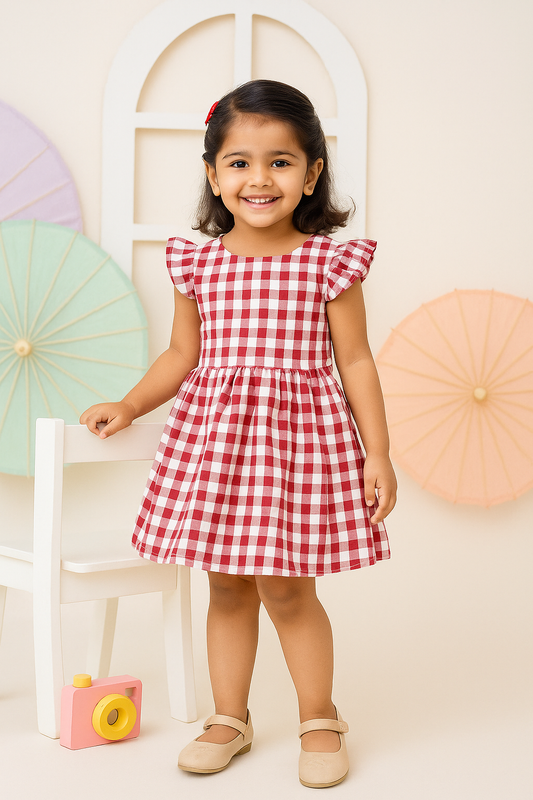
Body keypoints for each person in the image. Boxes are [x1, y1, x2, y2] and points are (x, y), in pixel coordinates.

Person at [81, 79, 397, 789]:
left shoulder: (328, 263)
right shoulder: (197, 262)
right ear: (212, 174)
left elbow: (355, 360)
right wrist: (130, 405)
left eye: (281, 162)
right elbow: (180, 355)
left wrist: (378, 453)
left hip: (297, 449)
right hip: (217, 447)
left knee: (288, 590)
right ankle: (230, 717)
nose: (259, 179)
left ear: (312, 173)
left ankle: (319, 716)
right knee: (224, 586)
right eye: (240, 162)